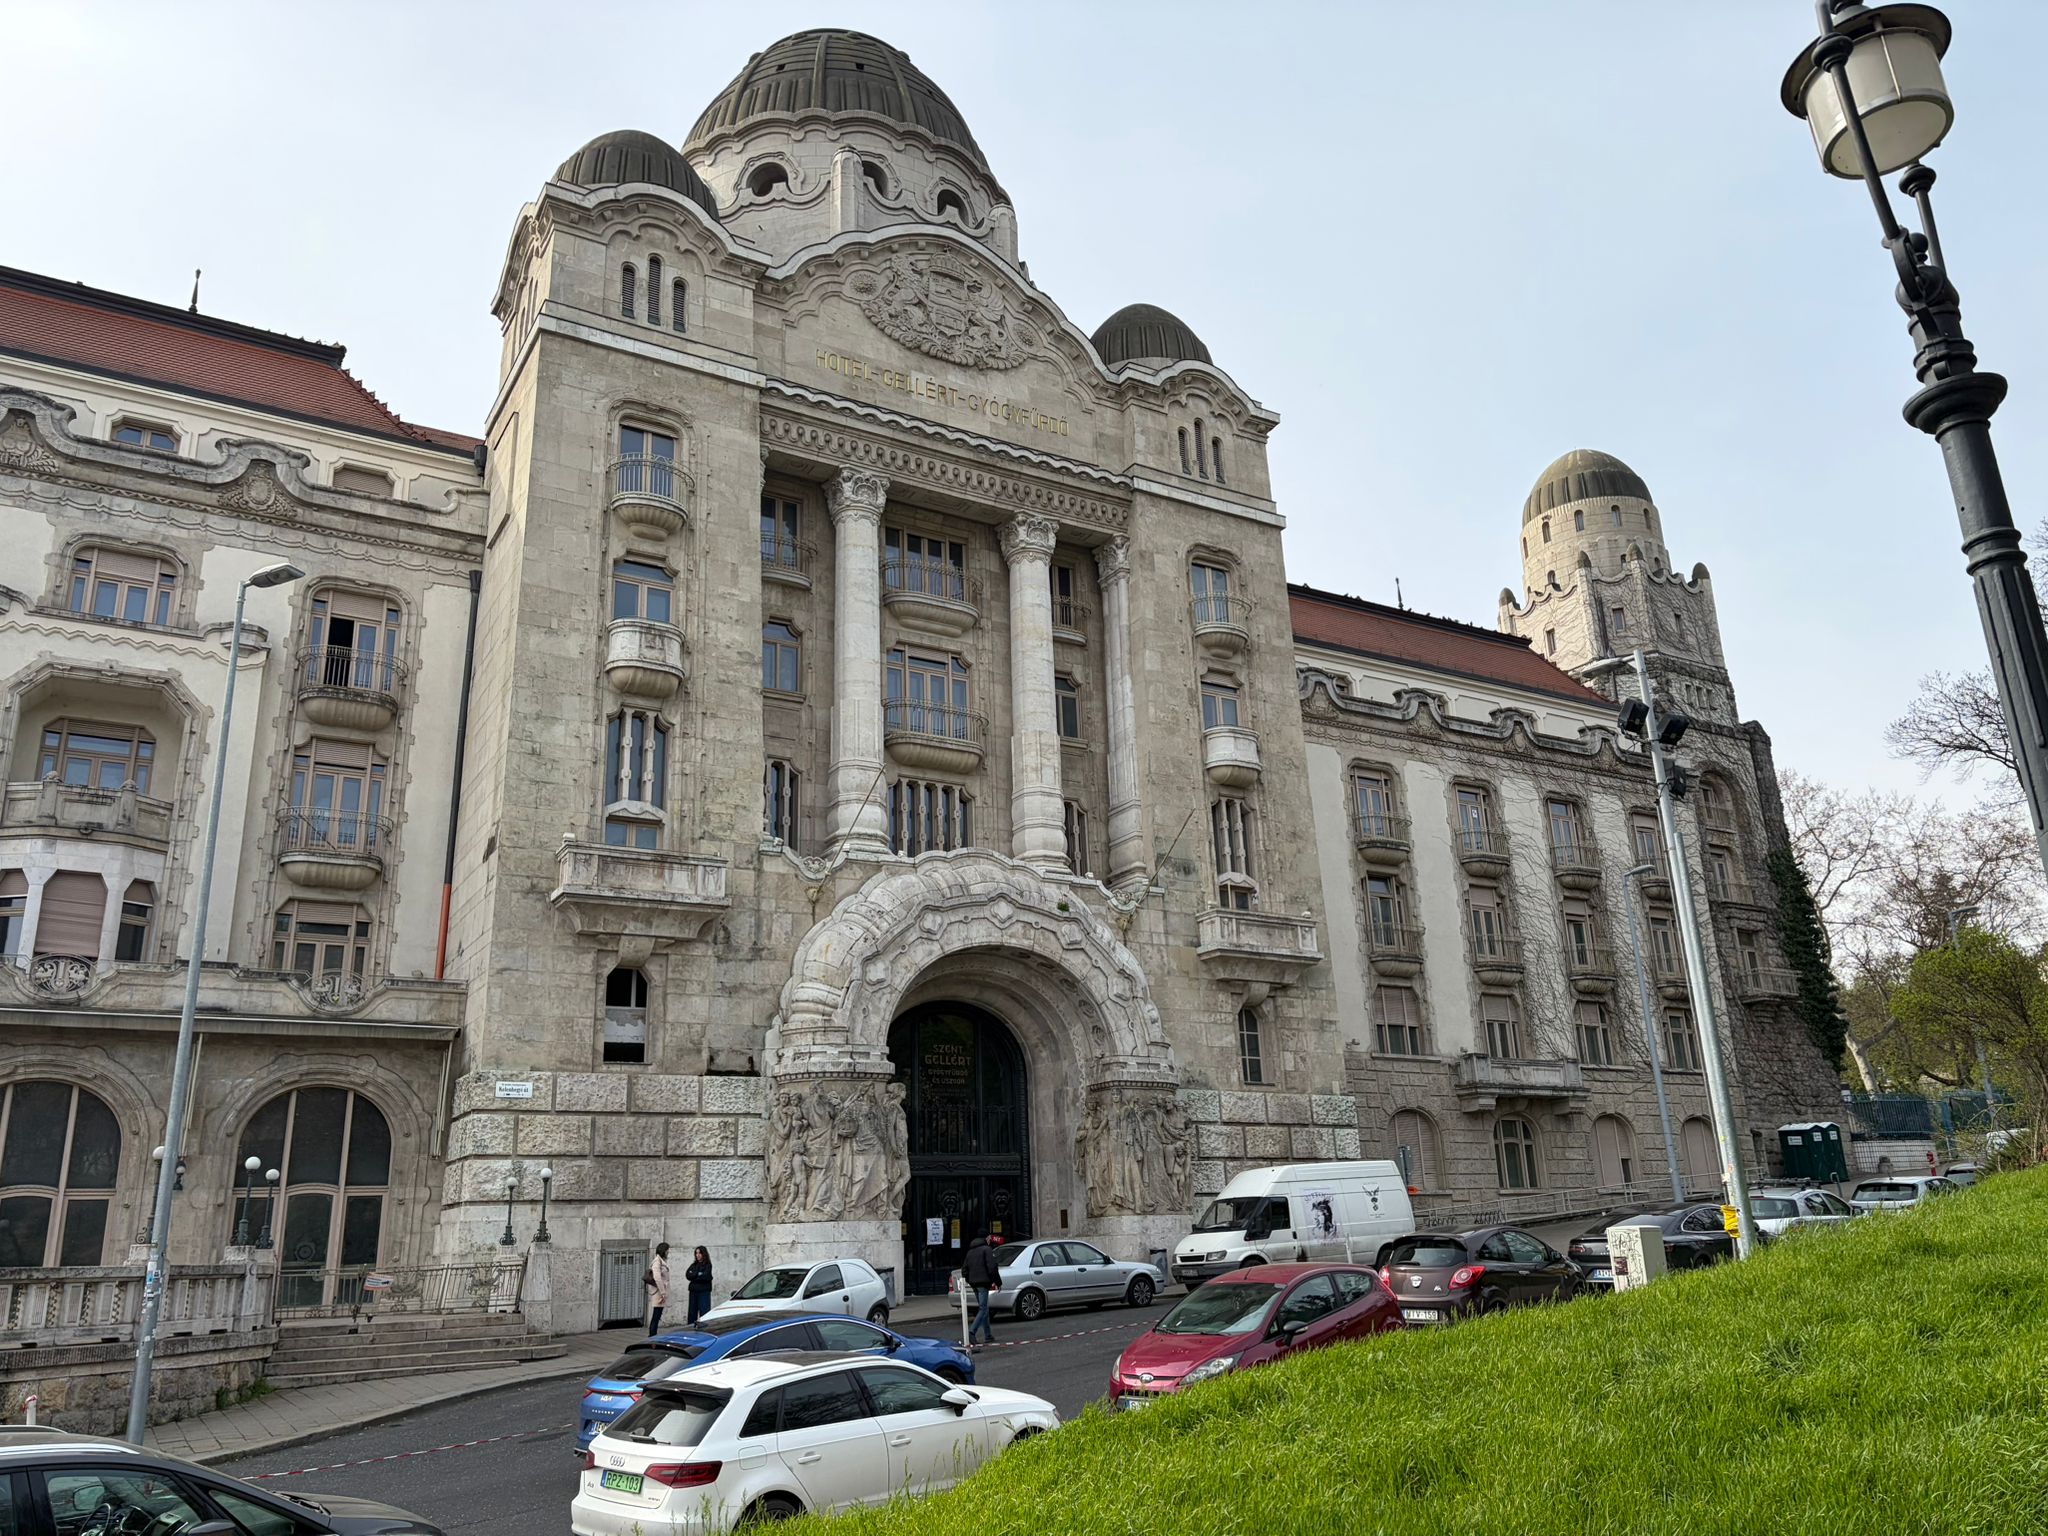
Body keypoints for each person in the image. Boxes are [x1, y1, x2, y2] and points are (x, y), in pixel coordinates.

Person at [961, 1232, 1001, 1351]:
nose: (990, 1240)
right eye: (989, 1237)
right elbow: (992, 1267)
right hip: (983, 1283)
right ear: (986, 1238)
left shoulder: (970, 1252)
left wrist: (970, 1280)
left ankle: (988, 1335)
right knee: (983, 1309)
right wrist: (998, 1282)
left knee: (984, 1308)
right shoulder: (986, 1250)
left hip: (974, 1283)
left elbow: (964, 1270)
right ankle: (972, 1332)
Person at [646, 1241, 671, 1336]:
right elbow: (657, 1277)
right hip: (658, 1293)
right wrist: (663, 1293)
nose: (668, 1252)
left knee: (657, 1315)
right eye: (667, 1250)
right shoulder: (657, 1261)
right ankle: (652, 1336)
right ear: (663, 1251)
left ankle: (652, 1336)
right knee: (656, 1316)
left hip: (660, 1292)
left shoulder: (661, 1261)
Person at [685, 1245, 714, 1326]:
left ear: (704, 1254)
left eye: (699, 1253)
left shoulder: (708, 1265)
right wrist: (698, 1274)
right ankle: (690, 1329)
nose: (697, 1255)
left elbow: (706, 1276)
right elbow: (688, 1275)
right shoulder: (693, 1265)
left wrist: (694, 1276)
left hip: (703, 1292)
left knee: (704, 1313)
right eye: (696, 1253)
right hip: (693, 1292)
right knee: (692, 1313)